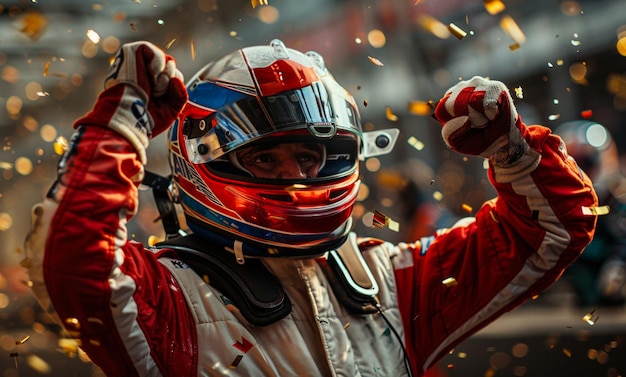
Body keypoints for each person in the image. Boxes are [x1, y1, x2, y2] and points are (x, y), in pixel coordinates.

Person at [21, 40, 598, 377]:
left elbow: (551, 232)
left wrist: (514, 148)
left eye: (310, 156)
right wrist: (121, 125)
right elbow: (71, 262)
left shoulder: (387, 281)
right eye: (265, 160)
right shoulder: (166, 299)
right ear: (201, 162)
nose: (295, 176)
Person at [554, 120, 626, 307]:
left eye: (585, 162)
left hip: (609, 282)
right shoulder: (557, 206)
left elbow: (621, 240)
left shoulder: (617, 201)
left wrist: (617, 264)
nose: (581, 172)